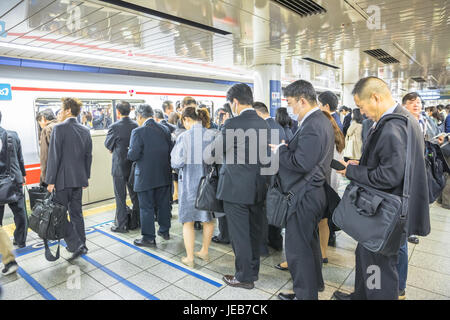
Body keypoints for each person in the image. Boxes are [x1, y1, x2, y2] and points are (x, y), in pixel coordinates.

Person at [332, 77, 429, 300]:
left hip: (385, 213)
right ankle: (362, 295)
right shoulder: (404, 119)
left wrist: (351, 172)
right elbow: (394, 165)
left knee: (379, 266)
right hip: (388, 210)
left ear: (375, 97)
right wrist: (362, 164)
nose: (362, 112)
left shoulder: (393, 126)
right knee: (366, 255)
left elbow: (389, 176)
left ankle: (372, 296)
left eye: (361, 106)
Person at [275, 80, 334, 300]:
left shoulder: (312, 124)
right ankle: (314, 285)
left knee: (297, 248)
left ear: (301, 100)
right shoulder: (320, 121)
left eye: (291, 103)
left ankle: (304, 295)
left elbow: (302, 163)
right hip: (314, 192)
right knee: (309, 243)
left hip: (305, 195)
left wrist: (280, 151)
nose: (290, 109)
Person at [214, 83, 270, 289]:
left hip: (235, 189)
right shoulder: (263, 123)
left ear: (235, 102)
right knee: (254, 232)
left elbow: (215, 154)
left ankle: (244, 277)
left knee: (239, 235)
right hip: (258, 187)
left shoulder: (232, 124)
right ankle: (252, 271)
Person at [46, 98, 93, 260]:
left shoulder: (59, 129)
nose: (59, 113)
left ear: (67, 111)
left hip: (62, 181)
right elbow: (88, 156)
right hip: (79, 179)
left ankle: (75, 244)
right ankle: (83, 244)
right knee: (77, 213)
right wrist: (85, 176)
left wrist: (50, 181)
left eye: (61, 109)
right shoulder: (85, 130)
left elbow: (54, 156)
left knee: (59, 214)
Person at [171, 106, 217, 267]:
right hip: (209, 184)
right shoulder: (213, 134)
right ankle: (204, 251)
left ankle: (189, 257)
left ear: (187, 119)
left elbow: (176, 162)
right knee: (208, 219)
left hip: (190, 184)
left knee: (188, 221)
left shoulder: (185, 137)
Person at [128, 104, 173, 248]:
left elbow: (133, 155)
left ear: (140, 117)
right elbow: (170, 151)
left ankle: (148, 238)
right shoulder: (164, 129)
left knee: (146, 207)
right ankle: (164, 231)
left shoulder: (137, 132)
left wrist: (129, 150)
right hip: (164, 174)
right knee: (163, 204)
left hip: (145, 177)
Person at [253, 101, 284, 253]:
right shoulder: (280, 126)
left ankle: (262, 246)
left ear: (258, 113)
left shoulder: (263, 128)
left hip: (265, 175)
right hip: (279, 176)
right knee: (275, 208)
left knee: (263, 211)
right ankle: (276, 241)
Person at [104, 101, 139, 233]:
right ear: (130, 110)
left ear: (118, 112)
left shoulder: (114, 126)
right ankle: (136, 222)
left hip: (119, 166)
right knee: (135, 195)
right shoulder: (136, 125)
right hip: (133, 166)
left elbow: (108, 144)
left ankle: (121, 225)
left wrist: (113, 147)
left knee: (120, 196)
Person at [0, 112, 27, 248]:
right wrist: (23, 174)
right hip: (14, 180)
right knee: (20, 212)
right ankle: (20, 240)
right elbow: (20, 157)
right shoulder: (13, 135)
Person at [36, 109, 58, 186]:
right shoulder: (63, 126)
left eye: (39, 123)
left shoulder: (47, 129)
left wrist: (44, 178)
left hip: (54, 176)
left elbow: (45, 156)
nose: (41, 126)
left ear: (43, 118)